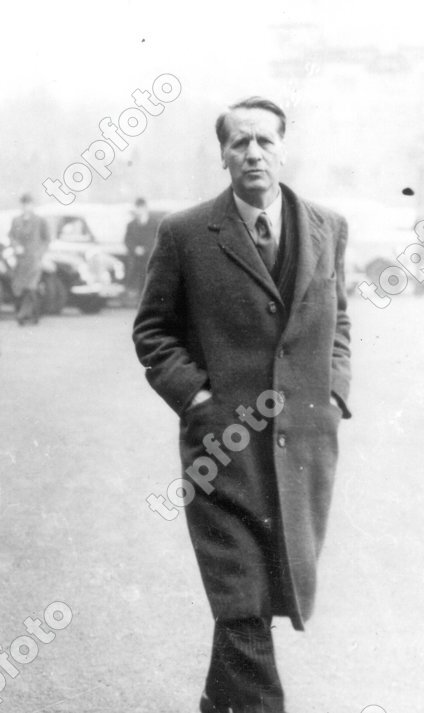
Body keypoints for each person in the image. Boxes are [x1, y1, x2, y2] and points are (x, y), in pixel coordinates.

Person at [132, 97, 352, 713]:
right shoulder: (185, 232)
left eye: (264, 141)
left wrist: (334, 392)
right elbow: (153, 331)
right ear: (223, 154)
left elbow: (340, 324)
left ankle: (218, 703)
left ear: (284, 147)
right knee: (242, 597)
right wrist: (197, 397)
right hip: (221, 449)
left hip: (303, 448)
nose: (252, 153)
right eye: (239, 143)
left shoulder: (329, 226)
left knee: (262, 595)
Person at [8, 193, 50, 324]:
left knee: (30, 287)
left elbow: (47, 239)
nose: (26, 207)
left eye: (29, 204)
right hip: (20, 260)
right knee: (21, 288)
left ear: (33, 205)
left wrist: (40, 253)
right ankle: (34, 315)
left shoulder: (40, 221)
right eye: (24, 204)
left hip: (34, 259)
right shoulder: (16, 220)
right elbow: (11, 237)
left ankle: (22, 315)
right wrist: (16, 246)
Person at [123, 197, 158, 300]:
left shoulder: (155, 224)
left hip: (150, 257)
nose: (139, 211)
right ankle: (134, 296)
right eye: (137, 208)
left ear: (145, 208)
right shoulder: (131, 225)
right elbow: (127, 240)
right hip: (136, 258)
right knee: (134, 276)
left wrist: (146, 249)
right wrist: (134, 249)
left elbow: (157, 239)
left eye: (141, 208)